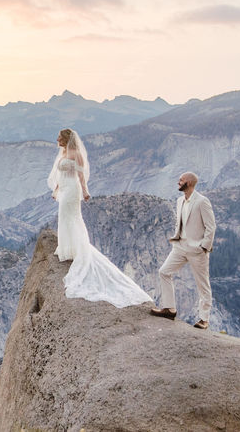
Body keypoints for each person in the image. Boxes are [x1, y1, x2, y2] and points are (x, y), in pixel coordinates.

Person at [48, 128, 153, 307]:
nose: (57, 139)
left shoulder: (76, 153)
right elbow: (59, 173)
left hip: (73, 189)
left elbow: (81, 175)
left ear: (66, 139)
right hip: (64, 188)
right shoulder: (63, 152)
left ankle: (77, 249)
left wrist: (86, 191)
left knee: (73, 218)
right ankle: (66, 247)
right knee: (64, 217)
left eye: (59, 136)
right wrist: (57, 189)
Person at [150, 172, 216, 329]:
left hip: (197, 250)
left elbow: (211, 226)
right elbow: (180, 222)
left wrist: (203, 247)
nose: (178, 182)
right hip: (179, 247)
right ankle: (169, 308)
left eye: (181, 180)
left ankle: (204, 319)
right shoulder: (180, 201)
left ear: (190, 183)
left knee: (203, 285)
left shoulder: (202, 201)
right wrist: (175, 238)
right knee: (164, 272)